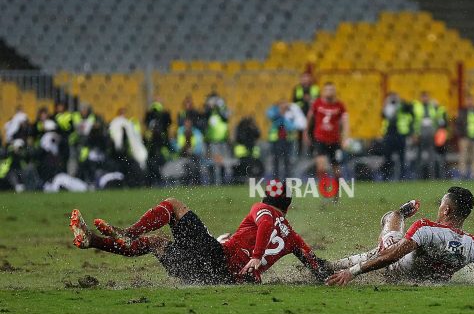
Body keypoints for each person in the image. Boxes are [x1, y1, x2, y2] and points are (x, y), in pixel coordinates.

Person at [69, 184, 332, 285]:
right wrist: (347, 270)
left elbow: (264, 226)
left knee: (173, 205)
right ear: (288, 207)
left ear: (267, 199)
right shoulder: (294, 238)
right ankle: (91, 240)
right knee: (156, 243)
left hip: (215, 260)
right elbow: (316, 266)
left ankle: (127, 233)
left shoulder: (264, 210)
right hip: (215, 277)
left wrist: (256, 255)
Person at [326, 187, 474, 285]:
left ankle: (401, 214)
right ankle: (331, 266)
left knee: (392, 218)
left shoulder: (426, 228)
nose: (439, 208)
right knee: (377, 253)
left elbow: (389, 257)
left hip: (395, 270)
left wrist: (352, 272)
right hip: (425, 280)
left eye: (441, 205)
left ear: (446, 210)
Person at [304, 82, 349, 188]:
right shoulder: (317, 104)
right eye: (327, 90)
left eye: (331, 90)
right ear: (323, 92)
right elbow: (309, 119)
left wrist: (345, 138)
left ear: (335, 92)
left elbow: (345, 122)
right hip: (320, 139)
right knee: (321, 166)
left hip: (335, 141)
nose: (329, 92)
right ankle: (324, 189)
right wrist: (306, 133)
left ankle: (336, 191)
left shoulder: (340, 105)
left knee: (336, 170)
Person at [412, 91, 447, 179]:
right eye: (423, 97)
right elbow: (414, 121)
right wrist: (415, 134)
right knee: (419, 156)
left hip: (431, 134)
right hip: (420, 134)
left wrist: (437, 106)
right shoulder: (417, 107)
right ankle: (419, 176)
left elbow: (440, 117)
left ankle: (432, 176)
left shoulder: (433, 107)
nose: (425, 99)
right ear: (421, 98)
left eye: (426, 97)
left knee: (431, 155)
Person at [380, 92, 414, 180]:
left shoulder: (402, 106)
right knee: (387, 157)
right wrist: (386, 102)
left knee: (401, 157)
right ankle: (386, 177)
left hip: (400, 134)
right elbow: (384, 114)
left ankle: (402, 177)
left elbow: (409, 109)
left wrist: (400, 101)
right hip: (389, 134)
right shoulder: (388, 106)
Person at [456, 95, 474, 179]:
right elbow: (458, 124)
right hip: (465, 137)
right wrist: (460, 136)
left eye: (471, 100)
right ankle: (463, 174)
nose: (470, 102)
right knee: (463, 156)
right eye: (468, 100)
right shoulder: (462, 111)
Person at [267, 100, 297, 179]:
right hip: (276, 140)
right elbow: (270, 116)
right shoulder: (274, 112)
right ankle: (275, 178)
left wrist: (284, 117)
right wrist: (280, 114)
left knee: (287, 160)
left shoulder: (290, 114)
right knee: (276, 159)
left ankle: (287, 178)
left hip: (287, 140)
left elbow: (292, 126)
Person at [292, 72, 320, 155]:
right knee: (300, 133)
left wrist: (310, 99)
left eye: (307, 77)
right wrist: (303, 101)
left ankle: (311, 151)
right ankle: (299, 152)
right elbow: (294, 101)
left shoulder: (315, 88)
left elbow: (318, 100)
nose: (305, 79)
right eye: (304, 77)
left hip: (312, 114)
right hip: (301, 114)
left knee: (311, 132)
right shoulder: (297, 88)